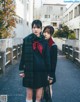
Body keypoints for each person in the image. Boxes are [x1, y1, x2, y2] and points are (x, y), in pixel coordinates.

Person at [19, 20, 52, 102]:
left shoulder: (44, 41)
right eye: (34, 27)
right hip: (29, 70)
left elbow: (47, 58)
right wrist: (22, 70)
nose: (36, 29)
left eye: (38, 27)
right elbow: (23, 56)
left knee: (38, 95)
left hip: (41, 70)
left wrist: (49, 73)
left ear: (41, 29)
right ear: (32, 28)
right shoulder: (26, 40)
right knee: (29, 94)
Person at [43, 25, 57, 101]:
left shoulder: (53, 46)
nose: (45, 34)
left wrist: (51, 76)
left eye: (48, 33)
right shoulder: (41, 43)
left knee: (49, 89)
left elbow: (54, 63)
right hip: (41, 71)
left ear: (51, 34)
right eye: (44, 32)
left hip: (49, 73)